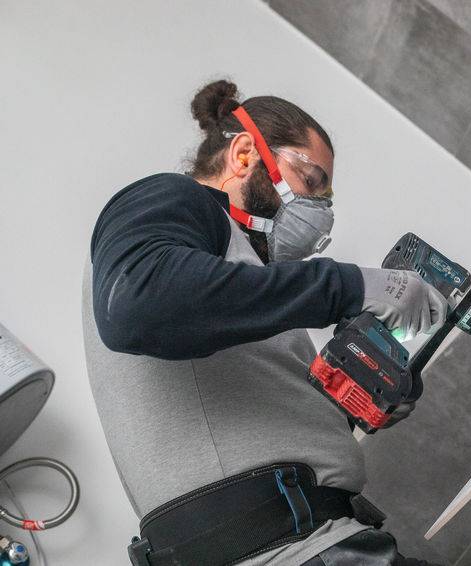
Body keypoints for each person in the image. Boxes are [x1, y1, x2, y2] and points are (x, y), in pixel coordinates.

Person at [82, 79, 447, 566]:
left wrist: (352, 402)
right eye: (310, 181)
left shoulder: (241, 280)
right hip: (289, 548)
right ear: (244, 154)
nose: (320, 211)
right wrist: (351, 286)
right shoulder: (172, 199)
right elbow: (138, 306)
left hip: (309, 538)